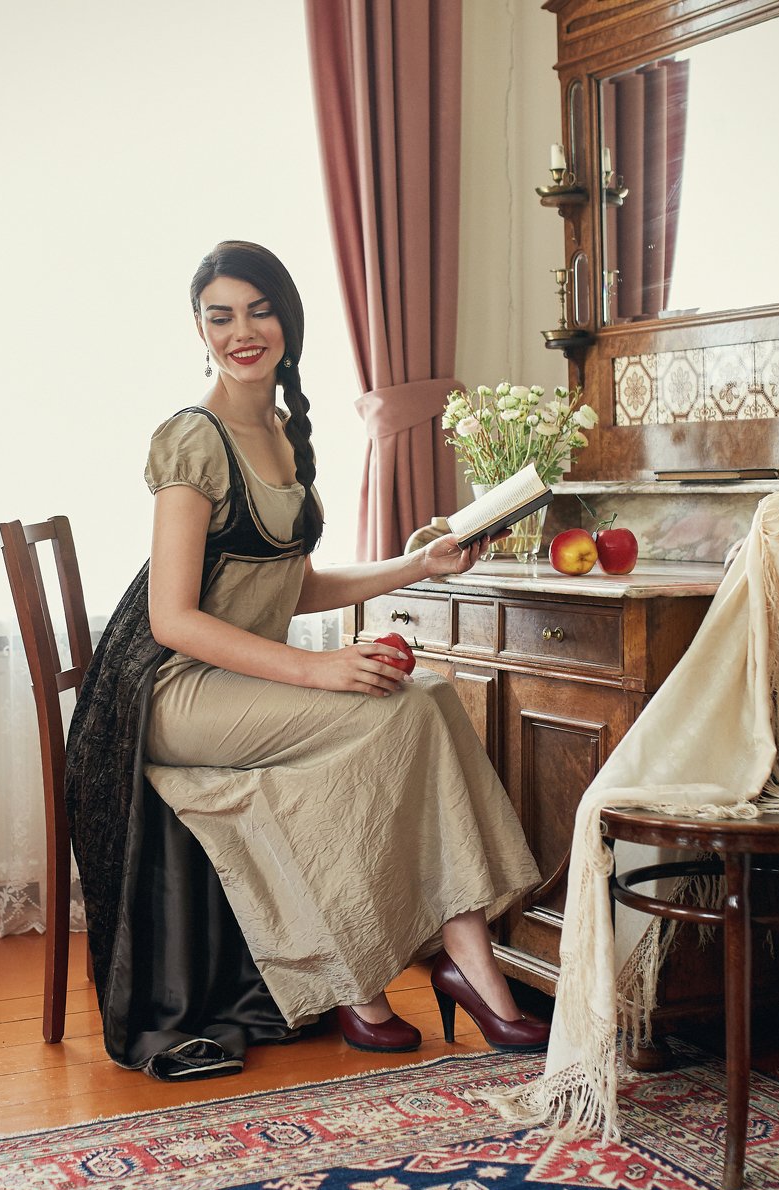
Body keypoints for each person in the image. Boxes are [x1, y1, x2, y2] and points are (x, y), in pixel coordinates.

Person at [62, 240, 548, 1082]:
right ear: (199, 329)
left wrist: (416, 565)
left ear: (287, 320)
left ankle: (447, 961)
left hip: (237, 681)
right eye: (221, 317)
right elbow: (173, 619)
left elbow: (296, 585)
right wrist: (320, 671)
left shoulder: (283, 433)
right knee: (399, 712)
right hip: (168, 695)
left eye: (259, 311)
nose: (241, 332)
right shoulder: (192, 439)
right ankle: (429, 972)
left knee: (428, 698)